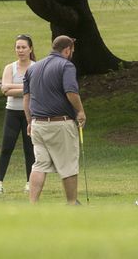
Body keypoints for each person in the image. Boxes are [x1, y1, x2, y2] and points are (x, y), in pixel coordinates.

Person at [23, 35, 86, 205]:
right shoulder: (66, 65)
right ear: (67, 50)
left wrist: (29, 121)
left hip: (37, 124)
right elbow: (71, 92)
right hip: (60, 123)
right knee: (68, 165)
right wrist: (80, 111)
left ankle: (33, 205)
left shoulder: (33, 68)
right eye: (71, 50)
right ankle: (72, 203)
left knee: (39, 165)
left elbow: (26, 98)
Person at [0, 34, 36, 195]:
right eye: (18, 47)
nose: (20, 50)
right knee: (7, 147)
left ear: (30, 49)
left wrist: (13, 87)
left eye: (23, 47)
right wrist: (26, 88)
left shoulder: (35, 67)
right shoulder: (9, 68)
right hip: (11, 112)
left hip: (30, 114)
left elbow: (34, 90)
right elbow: (5, 91)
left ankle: (29, 182)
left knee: (29, 148)